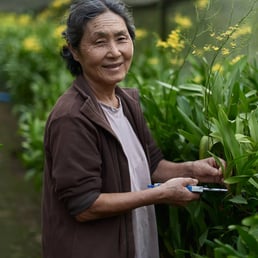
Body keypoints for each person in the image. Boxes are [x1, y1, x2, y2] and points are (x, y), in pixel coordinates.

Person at [42, 0, 225, 258]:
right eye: (99, 42)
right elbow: (85, 206)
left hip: (135, 244)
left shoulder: (125, 102)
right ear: (74, 50)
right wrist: (160, 195)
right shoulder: (72, 117)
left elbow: (151, 166)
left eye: (121, 38)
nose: (114, 52)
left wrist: (192, 169)